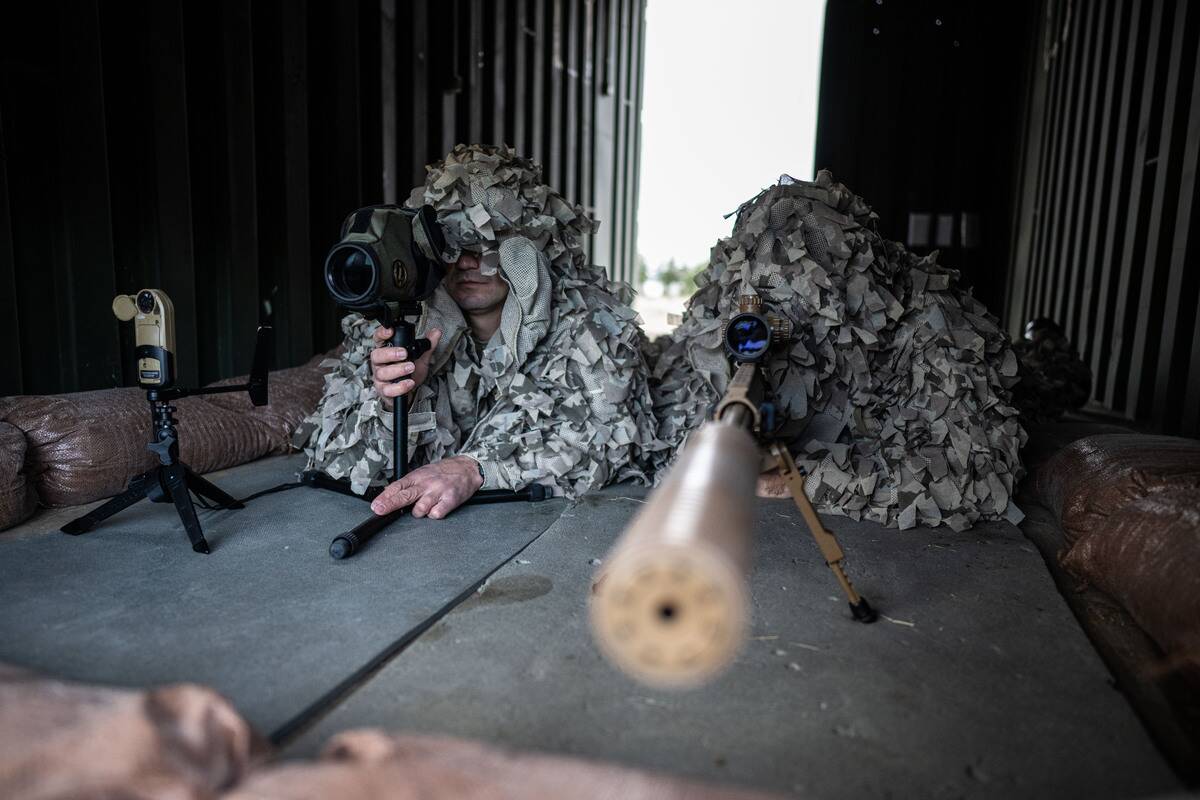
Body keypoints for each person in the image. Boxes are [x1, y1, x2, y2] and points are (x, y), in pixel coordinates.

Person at [297, 144, 666, 520]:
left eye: (489, 244)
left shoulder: (588, 326)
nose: (470, 262)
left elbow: (607, 441)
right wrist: (396, 401)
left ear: (527, 249)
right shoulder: (399, 326)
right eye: (454, 245)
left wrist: (475, 469)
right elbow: (335, 464)